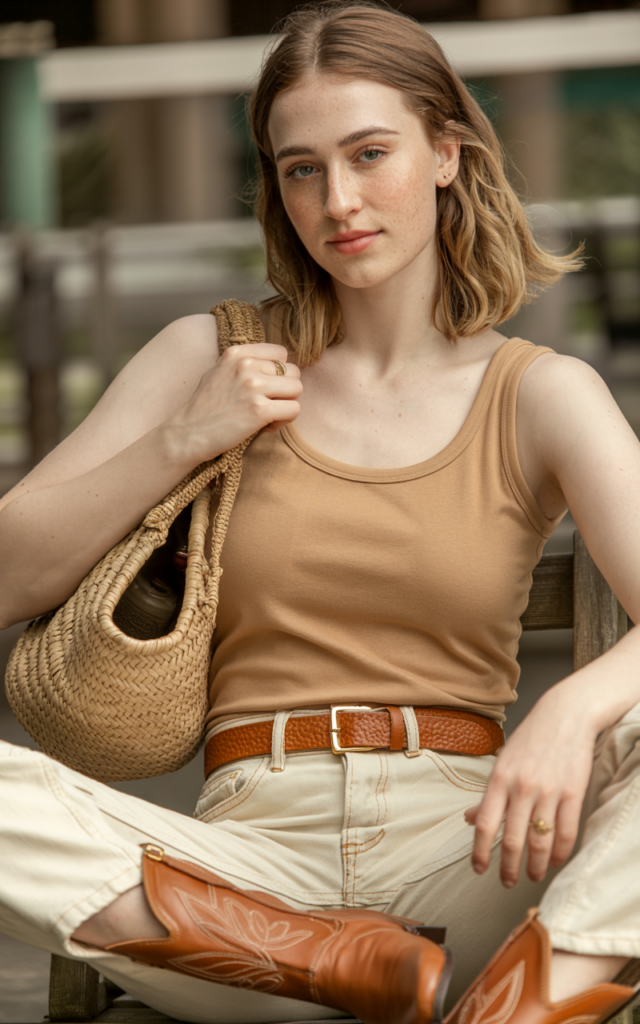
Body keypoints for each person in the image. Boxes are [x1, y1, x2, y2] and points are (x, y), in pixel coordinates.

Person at [1, 3, 639, 1023]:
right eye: (300, 167)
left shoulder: (540, 392)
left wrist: (568, 710)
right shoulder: (208, 355)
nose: (336, 198)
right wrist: (184, 439)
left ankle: (517, 1008)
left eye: (368, 153)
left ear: (446, 151)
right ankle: (322, 962)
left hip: (475, 855)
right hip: (235, 872)